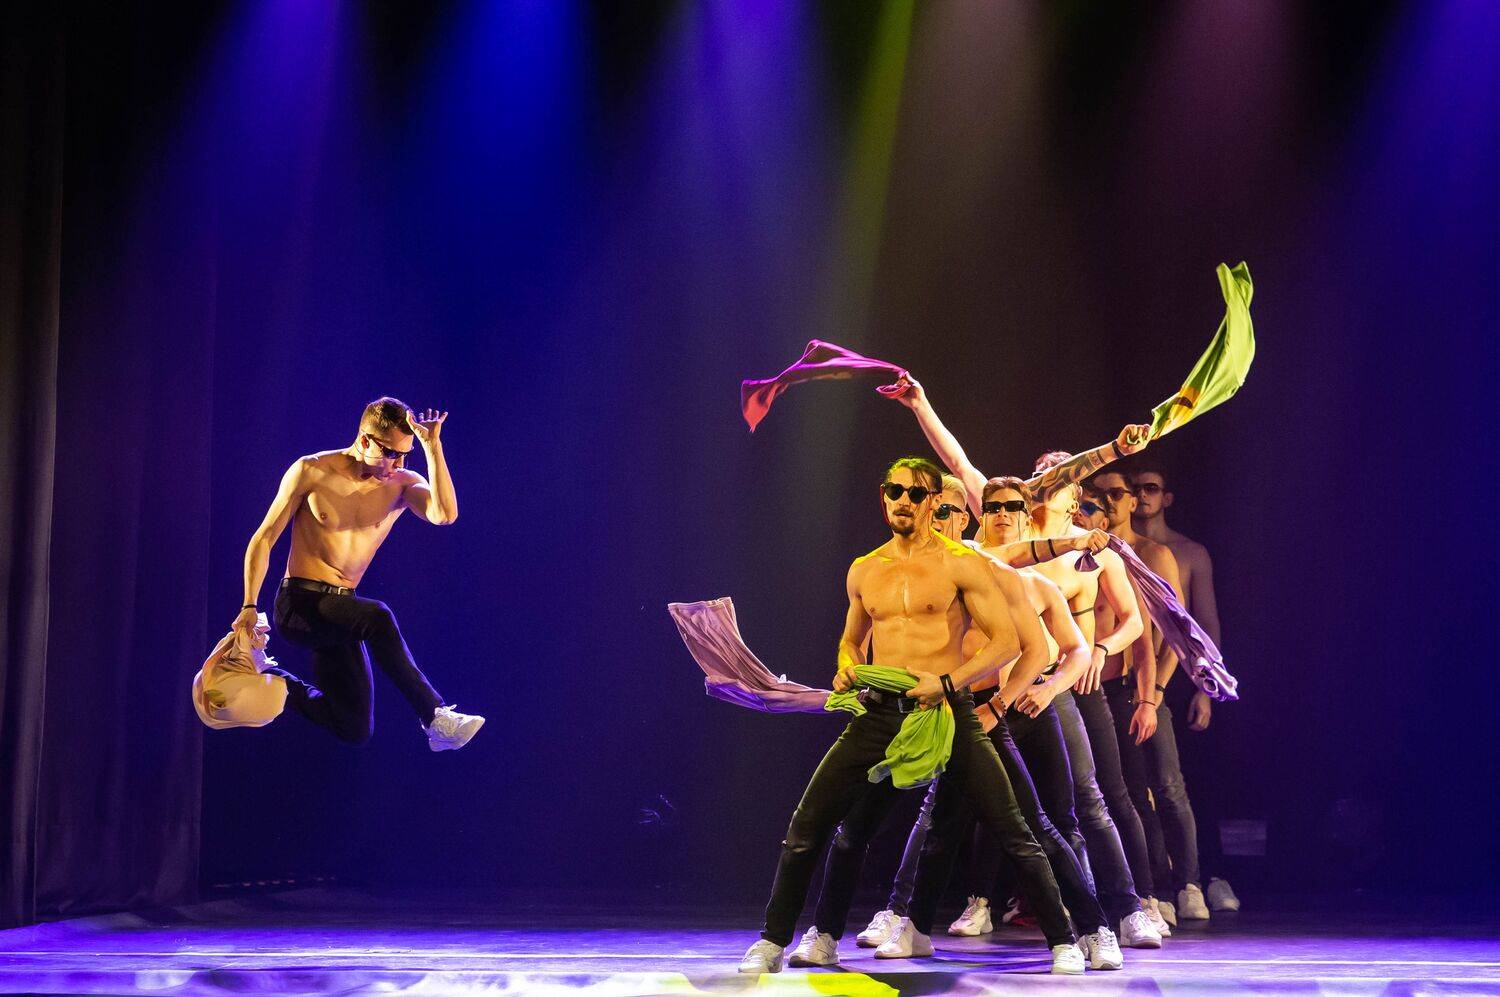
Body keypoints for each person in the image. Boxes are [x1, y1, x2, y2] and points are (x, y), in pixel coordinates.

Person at [739, 459, 1086, 976]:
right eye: (894, 491)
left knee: (1012, 826)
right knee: (812, 826)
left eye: (916, 494)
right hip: (880, 713)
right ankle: (782, 939)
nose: (903, 500)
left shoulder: (960, 563)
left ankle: (1064, 941)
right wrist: (847, 666)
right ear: (884, 497)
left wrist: (947, 683)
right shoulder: (864, 568)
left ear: (932, 503)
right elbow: (851, 639)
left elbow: (1006, 643)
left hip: (947, 710)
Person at [234, 397, 483, 751]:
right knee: (378, 617)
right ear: (365, 440)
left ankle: (270, 679)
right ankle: (434, 715)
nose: (398, 464)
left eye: (405, 454)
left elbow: (445, 515)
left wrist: (432, 447)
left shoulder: (401, 484)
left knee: (353, 726)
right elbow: (264, 538)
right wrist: (249, 605)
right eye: (391, 453)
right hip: (299, 604)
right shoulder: (312, 470)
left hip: (343, 614)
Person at [1090, 469, 1207, 921]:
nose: (1110, 501)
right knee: (1132, 791)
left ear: (1131, 501)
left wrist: (1154, 691)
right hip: (1107, 686)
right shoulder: (1090, 552)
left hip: (1146, 684)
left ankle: (1190, 883)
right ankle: (1154, 889)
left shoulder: (1154, 554)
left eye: (1117, 493)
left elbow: (1176, 631)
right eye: (1100, 495)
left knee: (1168, 785)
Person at [1131, 464, 1241, 912]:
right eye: (1135, 488)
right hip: (1139, 674)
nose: (1142, 495)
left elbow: (1205, 621)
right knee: (1145, 785)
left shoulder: (1189, 552)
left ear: (1167, 497)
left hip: (1182, 676)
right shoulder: (1120, 547)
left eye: (1151, 488)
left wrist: (1205, 687)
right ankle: (1164, 883)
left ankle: (1210, 876)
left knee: (1188, 781)